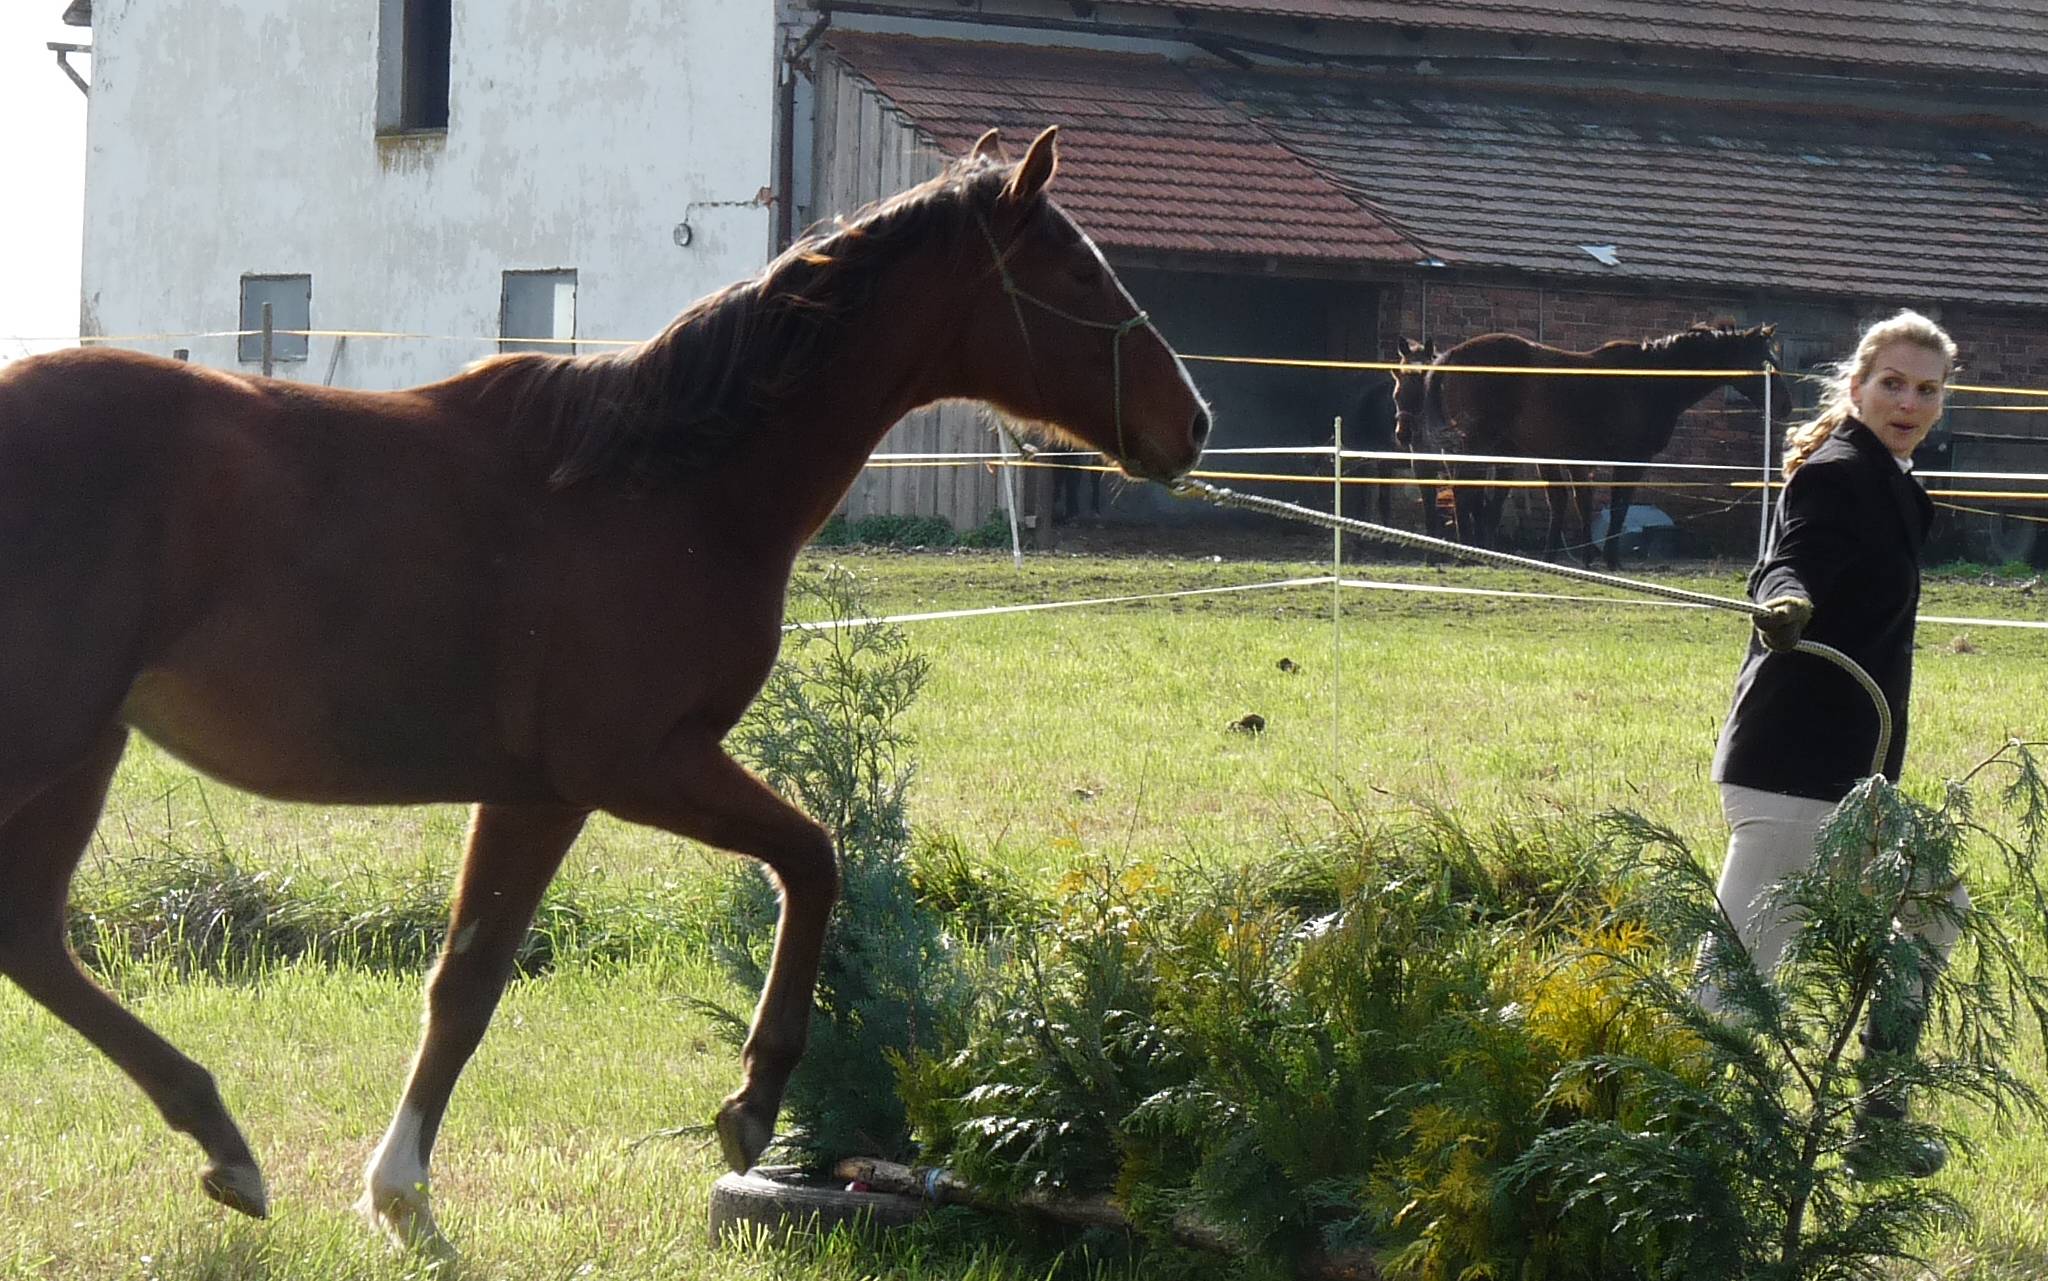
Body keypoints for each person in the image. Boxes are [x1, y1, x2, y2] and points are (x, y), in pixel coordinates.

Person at [1706, 308, 1965, 1177]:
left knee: (1932, 901)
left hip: (1851, 779)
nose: (1908, 400)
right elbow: (1785, 560)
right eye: (1892, 382)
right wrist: (1785, 602)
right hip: (1794, 768)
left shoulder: (1890, 477)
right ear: (1856, 387)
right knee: (1733, 990)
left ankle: (1874, 1121)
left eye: (1926, 389)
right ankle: (1672, 1146)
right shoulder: (1837, 472)